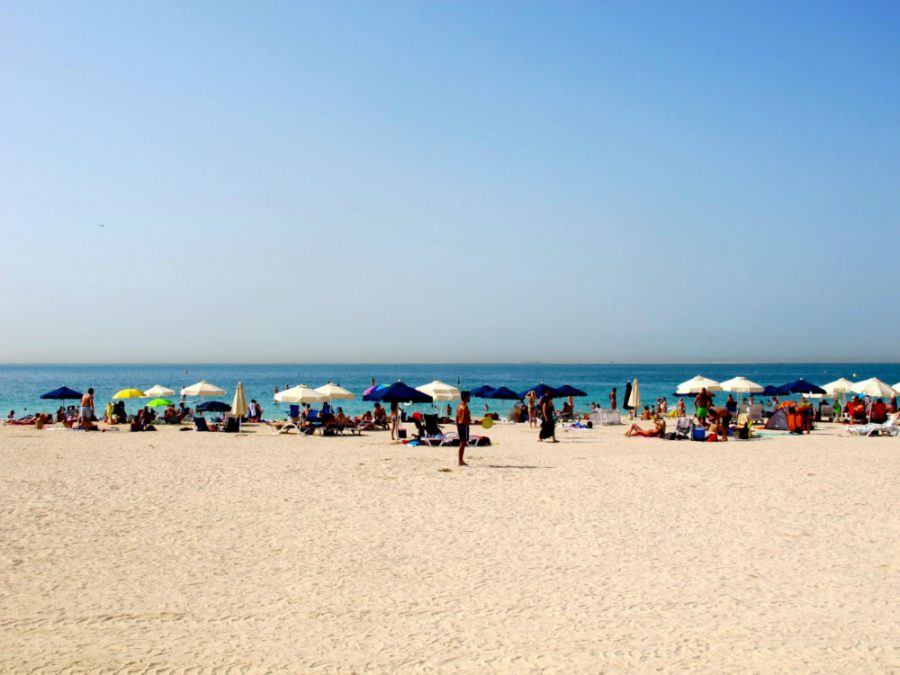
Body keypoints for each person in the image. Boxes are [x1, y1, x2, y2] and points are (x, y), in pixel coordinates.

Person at [456, 390, 471, 466]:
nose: (470, 398)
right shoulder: (464, 407)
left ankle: (460, 460)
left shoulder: (459, 406)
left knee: (463, 443)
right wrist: (470, 422)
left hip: (460, 425)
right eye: (469, 396)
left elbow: (457, 418)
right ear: (465, 397)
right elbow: (463, 419)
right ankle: (460, 461)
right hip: (464, 425)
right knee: (463, 443)